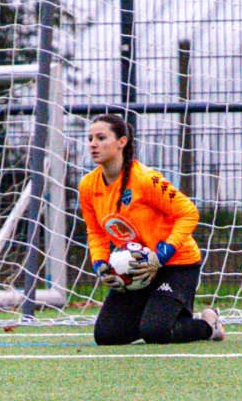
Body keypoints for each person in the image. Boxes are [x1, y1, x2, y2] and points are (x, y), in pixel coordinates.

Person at [79, 113, 225, 346]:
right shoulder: (88, 186)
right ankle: (158, 314)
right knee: (107, 336)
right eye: (90, 139)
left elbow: (188, 212)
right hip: (137, 269)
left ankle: (208, 325)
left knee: (156, 332)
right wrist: (101, 264)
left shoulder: (147, 179)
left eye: (101, 138)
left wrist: (161, 255)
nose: (93, 144)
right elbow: (95, 231)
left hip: (176, 264)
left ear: (122, 142)